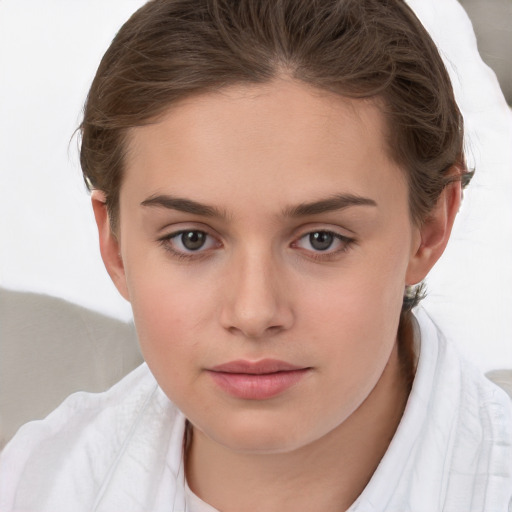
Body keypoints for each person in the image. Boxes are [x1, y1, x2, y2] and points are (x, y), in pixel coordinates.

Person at [0, 0, 510, 510]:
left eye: (321, 240)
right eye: (191, 239)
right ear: (114, 244)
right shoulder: (36, 484)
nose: (254, 313)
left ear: (429, 228)